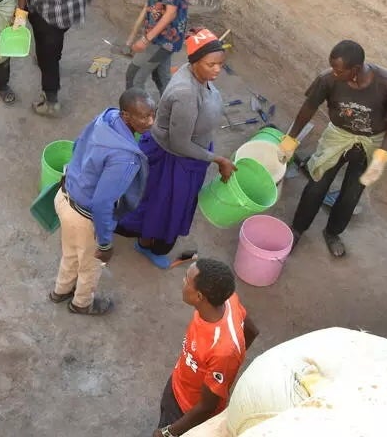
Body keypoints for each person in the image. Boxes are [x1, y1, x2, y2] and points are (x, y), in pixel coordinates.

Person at [277, 40, 387, 258]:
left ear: (355, 69)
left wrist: (382, 153)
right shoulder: (327, 79)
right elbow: (309, 107)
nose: (334, 73)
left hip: (370, 143)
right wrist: (290, 138)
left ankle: (332, 233)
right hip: (337, 137)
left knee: (351, 194)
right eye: (333, 67)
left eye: (339, 70)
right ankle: (298, 229)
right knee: (316, 186)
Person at [117, 28, 236, 268]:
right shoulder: (185, 94)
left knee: (155, 202)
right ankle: (146, 243)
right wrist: (219, 159)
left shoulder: (194, 75)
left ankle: (144, 236)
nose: (216, 70)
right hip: (173, 158)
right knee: (161, 207)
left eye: (220, 64)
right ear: (195, 62)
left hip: (188, 154)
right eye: (210, 64)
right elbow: (180, 143)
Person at [50, 89, 155, 316]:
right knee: (90, 266)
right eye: (144, 117)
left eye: (152, 114)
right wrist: (105, 244)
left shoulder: (106, 118)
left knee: (70, 251)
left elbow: (78, 145)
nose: (151, 121)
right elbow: (102, 203)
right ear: (126, 116)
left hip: (64, 196)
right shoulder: (125, 157)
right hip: (84, 216)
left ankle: (60, 290)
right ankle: (81, 303)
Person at [152, 258, 259, 437]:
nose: (182, 282)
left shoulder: (223, 350)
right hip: (178, 383)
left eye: (187, 279)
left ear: (200, 296)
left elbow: (207, 406)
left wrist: (169, 433)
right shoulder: (228, 299)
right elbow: (251, 330)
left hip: (186, 410)